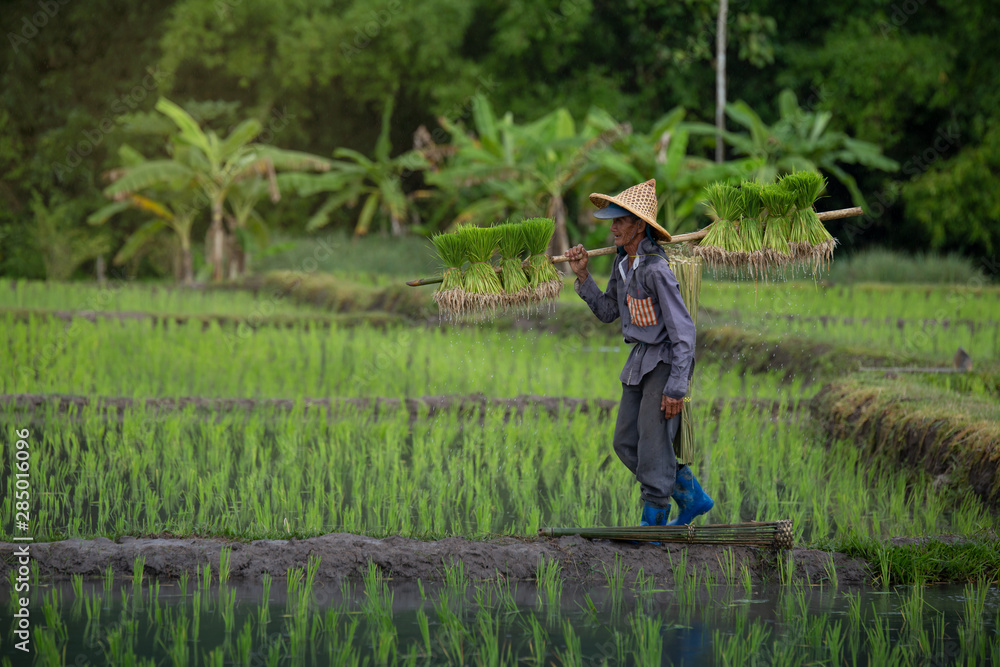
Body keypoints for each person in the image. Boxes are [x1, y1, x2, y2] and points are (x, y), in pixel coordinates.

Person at [565, 179, 714, 527]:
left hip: (663, 367)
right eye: (612, 220)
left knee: (652, 447)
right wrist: (584, 276)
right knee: (625, 442)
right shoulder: (623, 265)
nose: (613, 227)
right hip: (638, 365)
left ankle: (654, 522)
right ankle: (690, 496)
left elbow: (684, 331)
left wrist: (678, 387)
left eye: (620, 220)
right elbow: (606, 311)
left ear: (639, 225)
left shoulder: (656, 270)